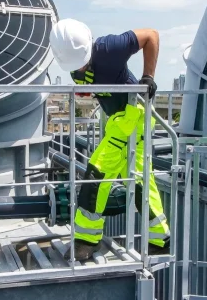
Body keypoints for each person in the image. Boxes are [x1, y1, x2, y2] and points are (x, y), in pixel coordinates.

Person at [49, 19, 171, 262]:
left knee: (97, 174)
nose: (80, 68)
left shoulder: (109, 48)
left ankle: (86, 240)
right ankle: (160, 240)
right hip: (121, 120)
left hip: (132, 115)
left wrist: (148, 77)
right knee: (140, 181)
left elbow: (151, 35)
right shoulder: (75, 65)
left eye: (82, 62)